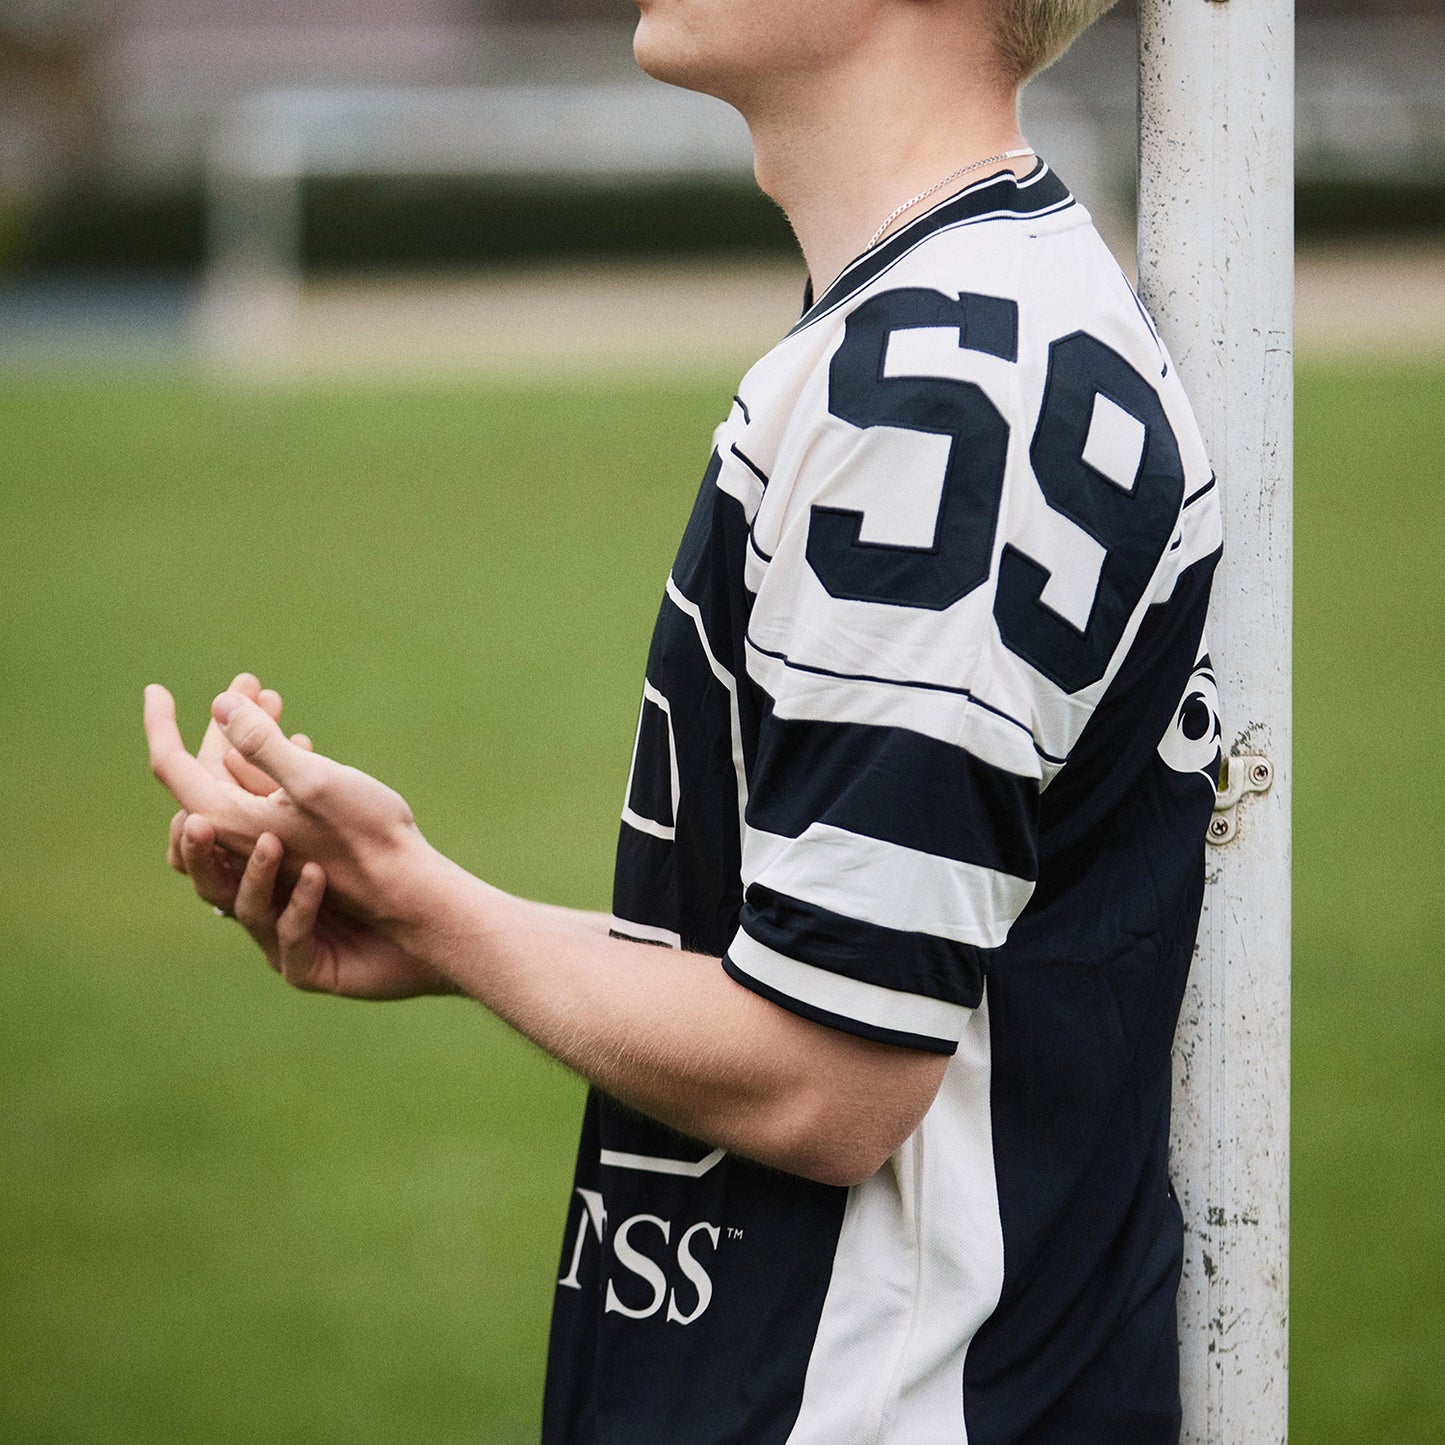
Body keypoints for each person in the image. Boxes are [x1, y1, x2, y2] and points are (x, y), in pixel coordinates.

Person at [146, 0, 1226, 1438]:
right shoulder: (947, 333)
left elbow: (832, 1075)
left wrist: (444, 910)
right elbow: (824, 965)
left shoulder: (950, 393)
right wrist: (439, 915)